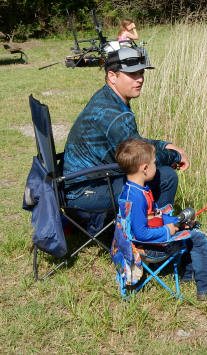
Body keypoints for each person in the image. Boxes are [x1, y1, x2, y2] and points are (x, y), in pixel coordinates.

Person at [63, 48, 188, 234]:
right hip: (83, 194)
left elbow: (132, 142)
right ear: (112, 76)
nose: (140, 79)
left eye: (141, 73)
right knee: (166, 176)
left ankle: (149, 225)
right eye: (132, 74)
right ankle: (154, 240)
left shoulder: (107, 97)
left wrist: (164, 145)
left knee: (157, 169)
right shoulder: (115, 113)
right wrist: (174, 155)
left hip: (77, 186)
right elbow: (140, 160)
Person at [115, 138, 207, 300]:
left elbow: (154, 217)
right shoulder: (137, 198)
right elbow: (141, 233)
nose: (156, 166)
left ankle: (188, 275)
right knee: (198, 237)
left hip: (147, 242)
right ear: (144, 168)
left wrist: (176, 223)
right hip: (146, 249)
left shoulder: (135, 189)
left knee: (191, 227)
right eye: (154, 163)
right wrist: (169, 230)